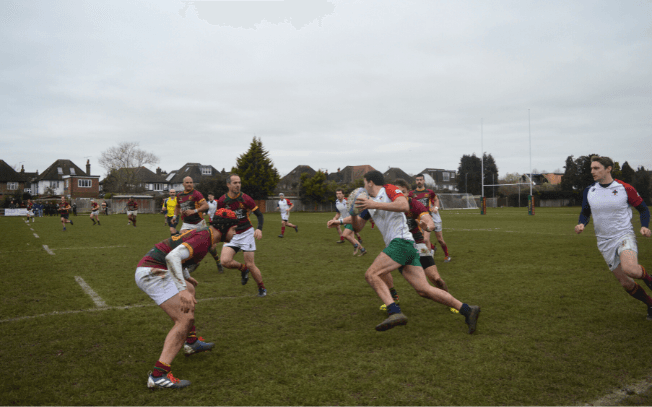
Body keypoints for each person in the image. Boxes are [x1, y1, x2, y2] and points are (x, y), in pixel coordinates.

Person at [327, 170, 480, 333]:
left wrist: (373, 205)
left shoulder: (389, 189)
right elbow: (358, 227)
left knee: (371, 274)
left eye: (365, 182)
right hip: (405, 246)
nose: (364, 186)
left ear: (370, 182)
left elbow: (403, 205)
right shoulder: (368, 202)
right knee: (424, 290)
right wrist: (352, 215)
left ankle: (394, 311)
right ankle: (467, 310)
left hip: (401, 241)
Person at [136, 208, 239, 389]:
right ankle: (158, 375)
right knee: (184, 319)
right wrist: (181, 289)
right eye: (234, 229)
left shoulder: (205, 235)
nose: (236, 232)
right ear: (224, 227)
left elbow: (179, 255)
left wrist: (186, 278)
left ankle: (191, 342)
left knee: (190, 288)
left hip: (154, 268)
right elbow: (173, 256)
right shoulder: (204, 238)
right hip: (152, 272)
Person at [575, 155, 652, 319]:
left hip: (624, 235)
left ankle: (649, 280)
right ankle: (650, 304)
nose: (592, 171)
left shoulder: (625, 188)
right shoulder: (590, 191)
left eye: (596, 168)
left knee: (630, 268)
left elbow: (643, 209)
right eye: (591, 168)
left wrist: (644, 226)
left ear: (608, 169)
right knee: (626, 282)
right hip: (604, 242)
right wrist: (582, 224)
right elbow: (585, 212)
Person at [380, 179, 454, 313]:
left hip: (418, 244)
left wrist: (427, 227)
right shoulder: (388, 205)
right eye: (396, 192)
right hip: (398, 246)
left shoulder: (414, 204)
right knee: (381, 270)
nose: (399, 194)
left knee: (436, 279)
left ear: (408, 193)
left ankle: (451, 302)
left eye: (402, 192)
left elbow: (429, 222)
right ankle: (393, 297)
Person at [217, 174, 267, 297]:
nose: (238, 185)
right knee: (224, 261)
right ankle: (243, 269)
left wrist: (259, 229)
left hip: (246, 233)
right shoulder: (222, 201)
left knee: (250, 263)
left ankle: (262, 288)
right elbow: (218, 218)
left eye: (239, 182)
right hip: (232, 234)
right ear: (228, 184)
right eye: (235, 183)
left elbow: (259, 215)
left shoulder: (246, 199)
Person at [173, 178, 221, 272]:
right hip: (187, 224)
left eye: (191, 182)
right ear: (183, 184)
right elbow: (177, 206)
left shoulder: (196, 194)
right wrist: (175, 216)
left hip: (199, 223)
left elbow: (205, 206)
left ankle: (218, 262)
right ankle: (192, 263)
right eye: (187, 183)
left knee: (211, 246)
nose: (189, 184)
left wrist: (194, 211)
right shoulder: (179, 195)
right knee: (182, 242)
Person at [410, 174, 451, 262]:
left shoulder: (429, 192)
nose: (419, 181)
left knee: (440, 239)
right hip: (424, 219)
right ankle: (429, 258)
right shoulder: (412, 193)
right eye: (417, 180)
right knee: (424, 239)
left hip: (434, 218)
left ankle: (447, 255)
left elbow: (436, 200)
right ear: (415, 181)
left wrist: (436, 208)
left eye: (421, 179)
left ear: (424, 181)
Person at [332, 189, 366, 255]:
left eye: (340, 193)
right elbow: (338, 214)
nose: (338, 195)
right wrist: (334, 219)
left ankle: (356, 246)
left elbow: (357, 208)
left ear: (343, 194)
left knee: (345, 235)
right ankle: (362, 249)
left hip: (352, 220)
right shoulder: (337, 202)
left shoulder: (348, 201)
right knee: (352, 238)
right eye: (337, 194)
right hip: (345, 222)